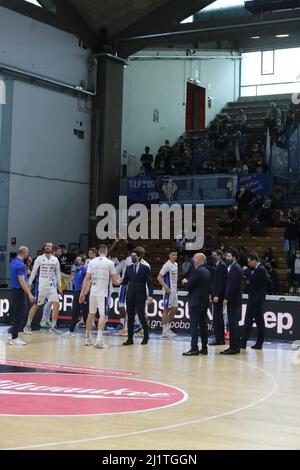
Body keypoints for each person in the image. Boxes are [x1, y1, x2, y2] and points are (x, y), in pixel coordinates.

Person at [79, 245, 120, 349]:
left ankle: (88, 339)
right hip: (103, 294)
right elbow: (115, 281)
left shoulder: (92, 262)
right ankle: (99, 341)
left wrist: (82, 293)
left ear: (98, 251)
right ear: (106, 251)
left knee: (90, 314)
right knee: (103, 316)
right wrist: (123, 280)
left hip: (93, 292)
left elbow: (87, 278)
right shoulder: (110, 263)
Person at [24, 242, 62, 335]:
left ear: (52, 249)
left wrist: (59, 286)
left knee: (56, 304)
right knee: (36, 305)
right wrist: (29, 283)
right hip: (41, 286)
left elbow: (58, 274)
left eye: (49, 246)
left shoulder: (55, 259)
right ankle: (27, 326)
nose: (48, 247)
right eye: (46, 246)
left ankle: (53, 327)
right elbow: (33, 272)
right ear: (44, 248)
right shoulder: (39, 258)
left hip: (51, 286)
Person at [121, 247, 154, 346]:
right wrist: (118, 281)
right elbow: (125, 281)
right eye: (132, 256)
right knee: (130, 318)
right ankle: (130, 339)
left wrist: (150, 295)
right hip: (130, 295)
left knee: (141, 317)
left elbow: (150, 283)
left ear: (139, 257)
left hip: (140, 295)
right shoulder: (129, 268)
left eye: (134, 256)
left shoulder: (145, 268)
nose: (132, 257)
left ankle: (146, 336)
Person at [182, 253, 211, 356]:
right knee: (203, 326)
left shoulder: (197, 271)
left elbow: (189, 286)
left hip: (195, 302)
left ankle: (194, 348)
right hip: (204, 302)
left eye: (194, 258)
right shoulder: (207, 271)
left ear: (199, 260)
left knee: (194, 326)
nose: (192, 260)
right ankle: (204, 348)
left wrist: (185, 282)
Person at [7, 246, 34, 346]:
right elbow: (22, 282)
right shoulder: (21, 265)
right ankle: (15, 337)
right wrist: (30, 294)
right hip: (20, 291)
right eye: (27, 253)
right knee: (21, 314)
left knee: (17, 313)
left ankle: (11, 333)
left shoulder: (13, 262)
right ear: (25, 253)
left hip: (14, 291)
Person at [241, 253, 268, 350]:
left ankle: (243, 342)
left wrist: (247, 271)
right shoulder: (259, 269)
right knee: (260, 322)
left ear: (254, 260)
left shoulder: (260, 269)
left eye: (249, 262)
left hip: (255, 300)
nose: (248, 264)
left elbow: (252, 280)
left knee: (248, 320)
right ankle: (259, 343)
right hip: (257, 299)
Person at [221, 249, 243, 355]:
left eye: (229, 256)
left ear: (234, 257)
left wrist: (227, 298)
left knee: (233, 324)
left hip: (233, 301)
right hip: (234, 300)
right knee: (233, 324)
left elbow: (232, 285)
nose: (227, 258)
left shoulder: (235, 268)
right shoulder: (235, 267)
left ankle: (234, 347)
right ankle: (234, 346)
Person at [62, 256, 88, 337]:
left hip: (83, 293)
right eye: (76, 259)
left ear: (82, 262)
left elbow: (88, 282)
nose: (77, 260)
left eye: (79, 259)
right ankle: (70, 331)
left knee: (85, 313)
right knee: (74, 312)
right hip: (76, 293)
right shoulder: (76, 271)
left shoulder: (85, 270)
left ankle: (88, 333)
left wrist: (84, 294)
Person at [157, 249, 178, 340]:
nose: (175, 256)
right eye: (173, 254)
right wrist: (165, 287)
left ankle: (168, 329)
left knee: (174, 309)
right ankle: (164, 332)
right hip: (168, 291)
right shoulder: (166, 265)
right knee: (166, 310)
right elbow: (159, 277)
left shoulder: (176, 264)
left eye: (176, 255)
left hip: (175, 291)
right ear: (169, 255)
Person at [210, 250, 228, 346]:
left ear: (220, 256)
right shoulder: (219, 265)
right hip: (216, 295)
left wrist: (217, 295)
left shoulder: (222, 266)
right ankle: (219, 338)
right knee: (217, 317)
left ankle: (219, 339)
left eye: (215, 255)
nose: (213, 257)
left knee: (218, 318)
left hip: (218, 296)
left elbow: (222, 283)